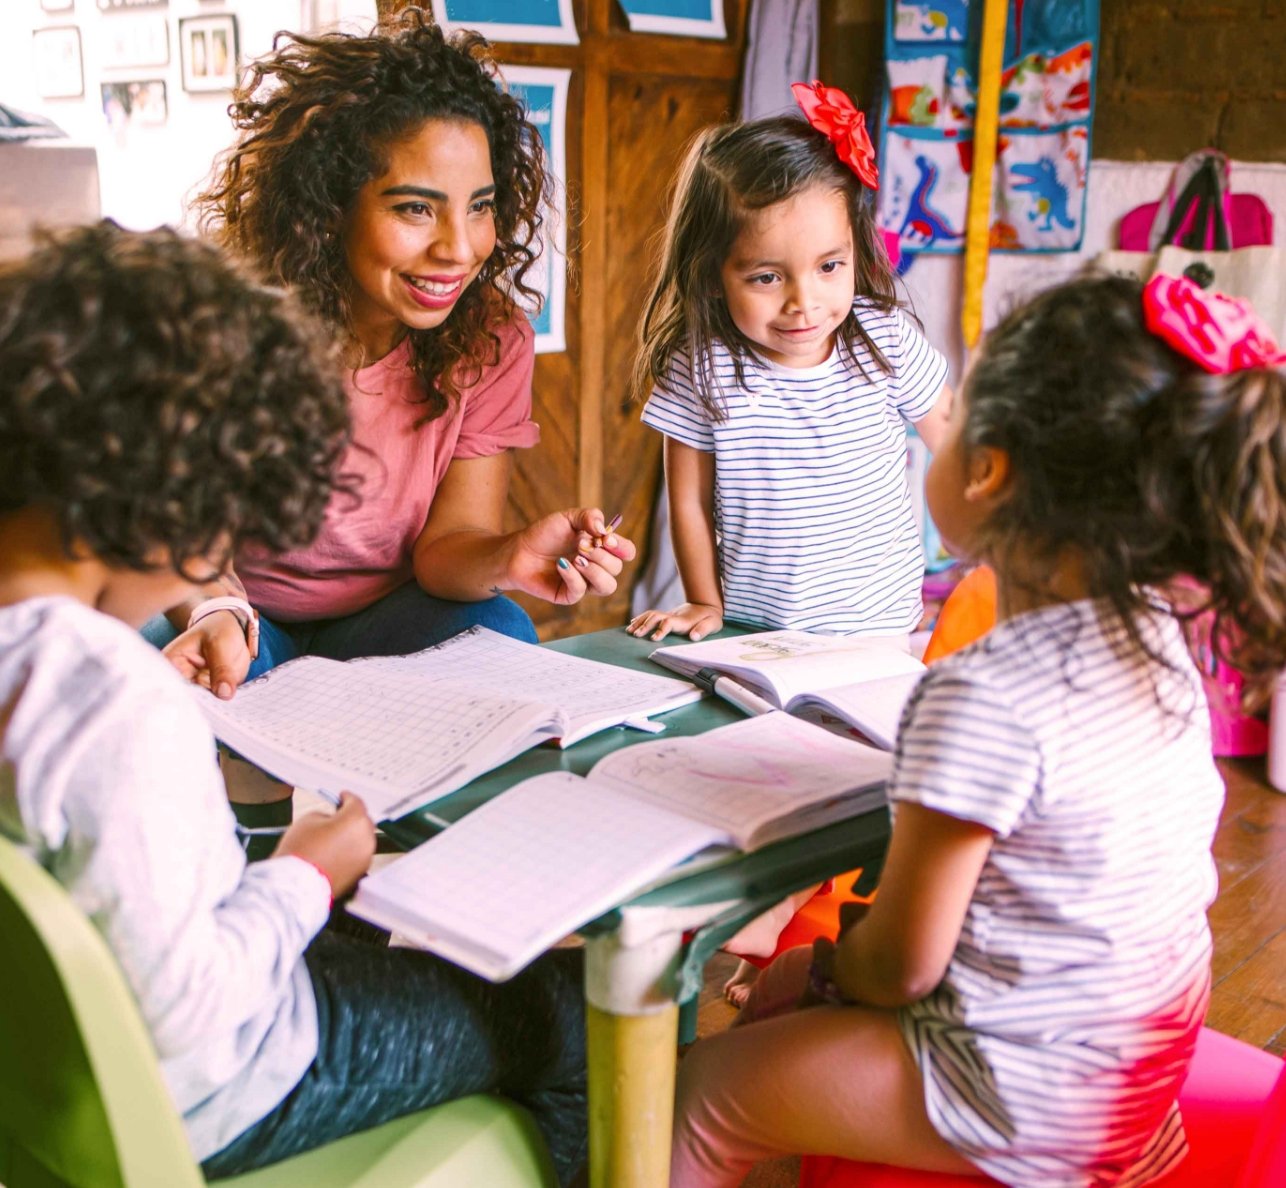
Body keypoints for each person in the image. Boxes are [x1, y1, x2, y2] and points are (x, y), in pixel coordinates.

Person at [0, 221, 587, 1183]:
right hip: (224, 1084)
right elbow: (185, 1009)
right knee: (571, 1010)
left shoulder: (65, 675)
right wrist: (307, 875)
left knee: (399, 937)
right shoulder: (113, 706)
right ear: (159, 500)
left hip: (37, 1080)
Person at [669, 271, 1286, 1186]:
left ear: (987, 469)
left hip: (1029, 1096)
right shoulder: (1161, 644)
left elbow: (903, 967)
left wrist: (819, 970)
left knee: (701, 1098)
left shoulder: (984, 693)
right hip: (1140, 1068)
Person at [146, 8, 633, 825]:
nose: (461, 247)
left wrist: (513, 554)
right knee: (133, 661)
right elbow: (171, 530)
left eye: (479, 206)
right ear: (327, 206)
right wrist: (217, 612)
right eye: (415, 209)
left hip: (385, 620)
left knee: (502, 626)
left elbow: (446, 557)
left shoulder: (489, 339)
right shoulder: (223, 326)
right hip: (240, 611)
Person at [625, 80, 950, 1002]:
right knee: (759, 782)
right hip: (765, 635)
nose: (803, 301)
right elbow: (685, 499)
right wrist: (705, 601)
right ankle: (745, 915)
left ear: (857, 256)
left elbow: (958, 447)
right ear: (715, 270)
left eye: (830, 267)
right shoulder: (705, 361)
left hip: (879, 633)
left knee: (863, 783)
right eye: (766, 276)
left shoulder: (883, 341)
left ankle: (805, 931)